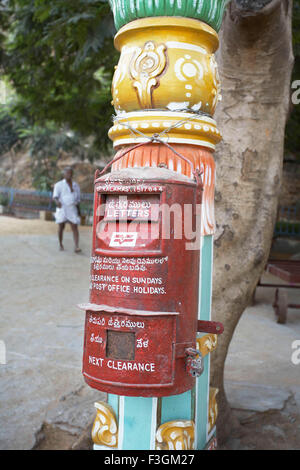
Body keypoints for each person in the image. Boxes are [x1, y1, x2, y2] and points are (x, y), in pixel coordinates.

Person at [52, 167, 82, 253]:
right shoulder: (59, 185)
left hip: (72, 208)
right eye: (67, 173)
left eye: (70, 173)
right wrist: (57, 202)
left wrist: (79, 211)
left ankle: (77, 246)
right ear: (64, 174)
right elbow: (55, 197)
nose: (69, 175)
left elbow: (78, 200)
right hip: (62, 208)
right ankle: (61, 244)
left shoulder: (76, 185)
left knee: (74, 226)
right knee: (61, 226)